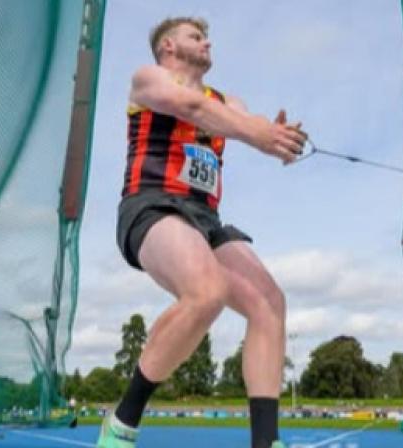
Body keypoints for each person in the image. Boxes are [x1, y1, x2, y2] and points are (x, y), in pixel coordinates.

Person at [97, 16, 306, 448]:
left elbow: (245, 119)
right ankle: (121, 423)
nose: (207, 42)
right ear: (169, 46)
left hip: (205, 218)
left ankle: (266, 443)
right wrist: (260, 135)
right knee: (205, 291)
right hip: (152, 204)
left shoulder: (227, 99)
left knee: (270, 303)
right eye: (196, 36)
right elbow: (193, 109)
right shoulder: (148, 79)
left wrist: (281, 137)